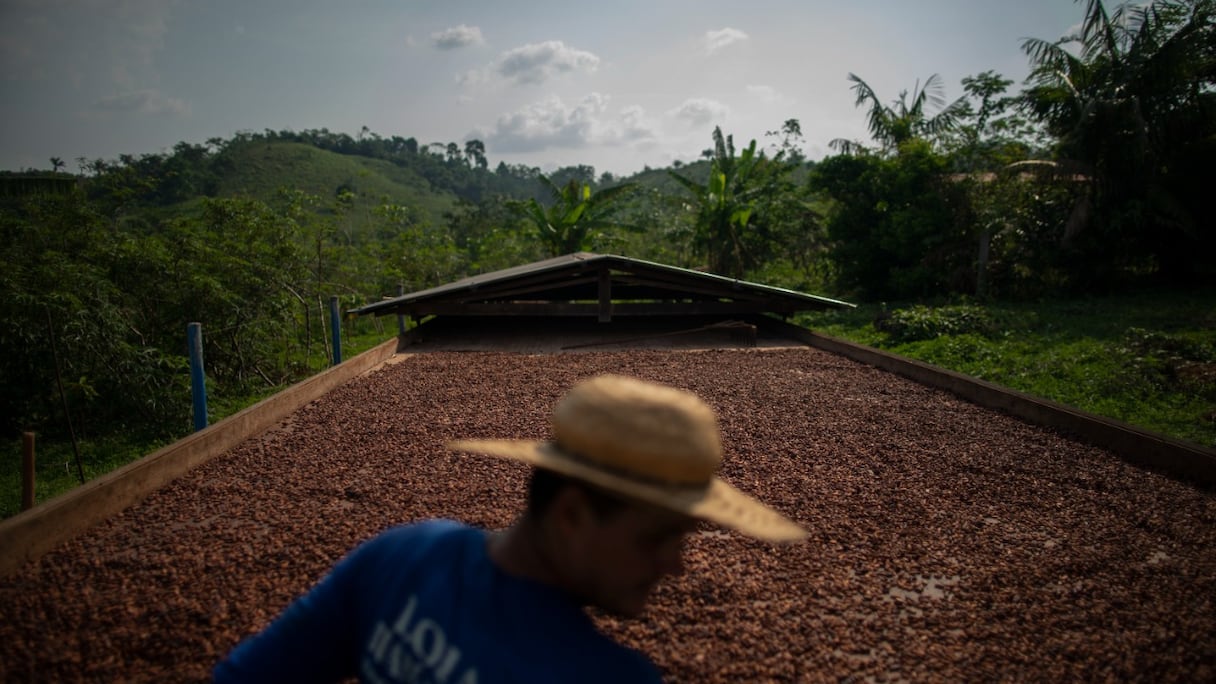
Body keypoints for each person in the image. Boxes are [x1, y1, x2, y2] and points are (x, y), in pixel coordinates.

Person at [213, 374, 806, 683]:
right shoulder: (605, 677)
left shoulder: (402, 554)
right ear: (571, 516)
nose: (677, 565)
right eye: (658, 537)